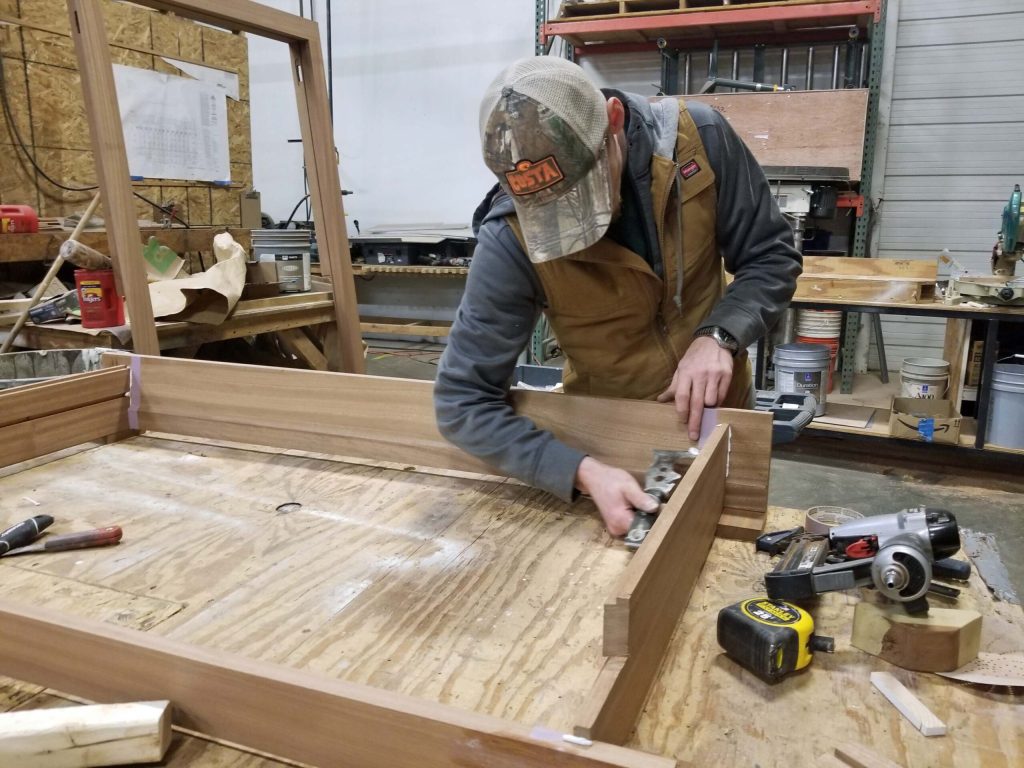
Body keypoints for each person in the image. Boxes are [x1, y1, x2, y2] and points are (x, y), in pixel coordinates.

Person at [434, 56, 801, 538]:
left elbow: (770, 256)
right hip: (605, 437)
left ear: (614, 120)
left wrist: (720, 335)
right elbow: (463, 401)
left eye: (581, 193)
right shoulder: (509, 240)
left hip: (719, 417)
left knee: (732, 540)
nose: (579, 231)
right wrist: (579, 470)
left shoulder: (702, 141)